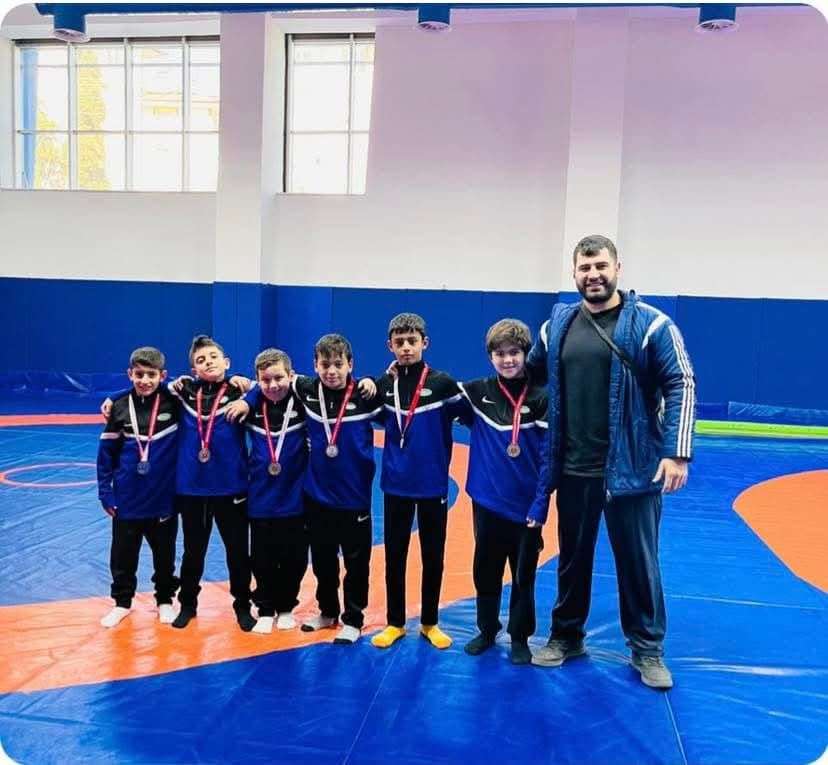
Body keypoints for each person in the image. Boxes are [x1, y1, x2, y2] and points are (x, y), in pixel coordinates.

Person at [526, 234, 696, 690]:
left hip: (634, 468)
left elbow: (680, 381)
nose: (593, 275)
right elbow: (529, 374)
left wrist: (676, 452)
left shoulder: (652, 324)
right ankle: (566, 636)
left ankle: (647, 648)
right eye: (584, 268)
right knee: (572, 560)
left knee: (639, 563)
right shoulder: (556, 325)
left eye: (601, 266)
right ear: (574, 273)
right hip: (575, 466)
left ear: (617, 268)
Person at [371, 313, 464, 650]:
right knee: (394, 556)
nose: (406, 348)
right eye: (399, 342)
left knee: (433, 556)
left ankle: (429, 622)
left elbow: (474, 418)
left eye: (412, 341)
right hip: (395, 484)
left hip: (432, 485)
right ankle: (395, 622)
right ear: (390, 346)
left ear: (425, 342)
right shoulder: (384, 386)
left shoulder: (443, 384)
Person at [456, 319, 547, 665]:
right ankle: (487, 629)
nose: (508, 360)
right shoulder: (476, 392)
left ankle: (520, 637)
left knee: (523, 574)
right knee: (486, 569)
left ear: (526, 353)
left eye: (514, 352)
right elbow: (432, 391)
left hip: (526, 506)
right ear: (490, 357)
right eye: (500, 354)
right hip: (487, 502)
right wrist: (393, 374)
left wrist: (541, 504)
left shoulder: (541, 398)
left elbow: (549, 457)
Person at [292, 334, 383, 644]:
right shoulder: (306, 390)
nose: (331, 371)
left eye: (338, 364)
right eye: (325, 364)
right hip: (317, 495)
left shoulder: (365, 395)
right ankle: (328, 611)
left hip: (354, 498)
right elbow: (270, 380)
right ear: (315, 365)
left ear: (350, 365)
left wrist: (374, 381)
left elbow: (398, 396)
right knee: (322, 561)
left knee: (356, 564)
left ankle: (353, 619)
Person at [168, 334, 255, 632]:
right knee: (193, 551)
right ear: (193, 369)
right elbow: (146, 389)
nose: (208, 363)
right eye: (201, 360)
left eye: (213, 357)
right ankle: (187, 604)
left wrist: (250, 391)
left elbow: (277, 388)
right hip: (192, 488)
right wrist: (113, 397)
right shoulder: (184, 392)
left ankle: (242, 606)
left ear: (226, 362)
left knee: (237, 551)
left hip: (231, 487)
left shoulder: (240, 392)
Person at [226, 349, 308, 634]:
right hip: (261, 497)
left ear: (291, 376)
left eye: (279, 378)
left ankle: (286, 607)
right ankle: (265, 608)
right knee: (262, 558)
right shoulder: (252, 405)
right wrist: (248, 396)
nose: (273, 385)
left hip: (295, 496)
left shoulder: (303, 401)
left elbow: (322, 385)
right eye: (265, 380)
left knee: (295, 558)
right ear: (257, 380)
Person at [96, 346, 179, 628]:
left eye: (151, 375)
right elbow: (106, 454)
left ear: (162, 376)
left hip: (163, 498)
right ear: (129, 374)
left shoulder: (173, 401)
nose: (145, 380)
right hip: (127, 498)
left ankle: (165, 600)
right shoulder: (119, 407)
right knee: (123, 555)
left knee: (165, 555)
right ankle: (122, 603)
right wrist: (105, 492)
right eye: (139, 374)